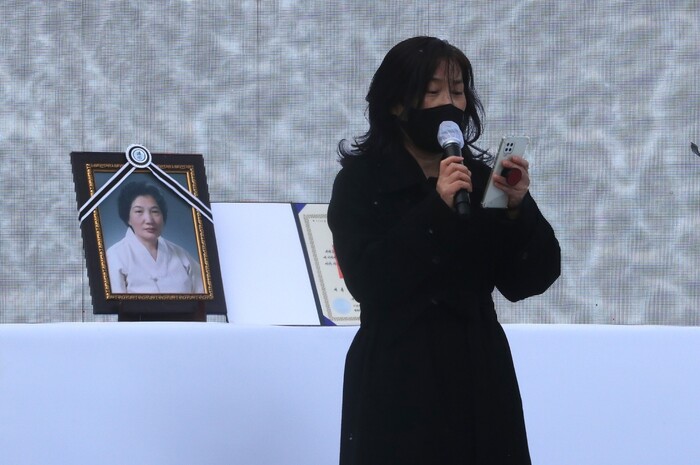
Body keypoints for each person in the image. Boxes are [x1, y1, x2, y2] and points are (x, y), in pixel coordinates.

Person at [327, 36, 561, 465]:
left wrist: (517, 209)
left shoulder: (482, 178)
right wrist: (436, 210)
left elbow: (527, 280)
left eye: (457, 91)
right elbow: (368, 280)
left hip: (478, 372)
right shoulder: (361, 182)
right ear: (396, 103)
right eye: (433, 92)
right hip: (397, 375)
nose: (449, 104)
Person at [106, 181, 204, 294]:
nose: (149, 220)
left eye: (155, 211)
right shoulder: (115, 256)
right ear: (128, 218)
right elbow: (113, 303)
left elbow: (204, 297)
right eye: (139, 211)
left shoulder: (182, 255)